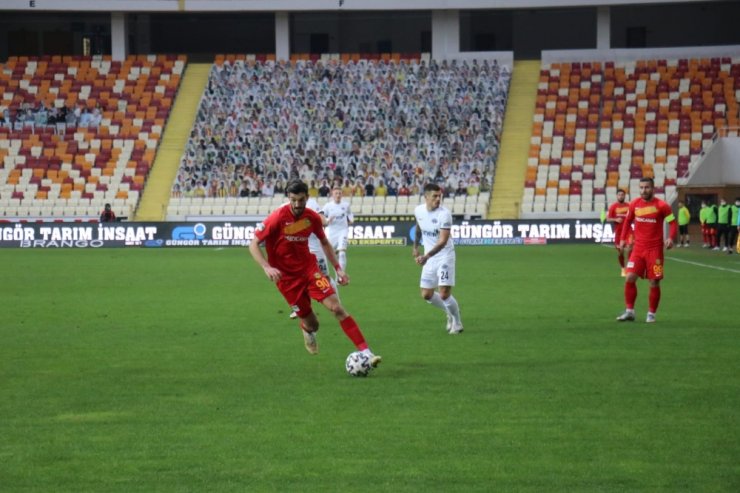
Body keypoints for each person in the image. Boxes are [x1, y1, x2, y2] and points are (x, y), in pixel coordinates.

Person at [249, 179, 381, 367]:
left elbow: (324, 242)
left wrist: (338, 269)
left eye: (301, 200)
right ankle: (307, 329)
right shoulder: (277, 217)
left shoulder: (311, 218)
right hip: (287, 280)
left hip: (309, 271)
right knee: (313, 324)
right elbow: (253, 244)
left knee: (336, 307)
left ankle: (367, 352)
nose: (296, 205)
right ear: (288, 198)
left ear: (307, 198)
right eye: (293, 200)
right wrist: (266, 267)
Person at [616, 177, 677, 324]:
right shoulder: (634, 204)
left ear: (653, 188)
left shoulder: (662, 206)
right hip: (638, 249)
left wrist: (671, 237)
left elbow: (673, 222)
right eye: (641, 187)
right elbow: (627, 221)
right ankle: (629, 311)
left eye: (647, 187)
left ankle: (651, 314)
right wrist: (623, 239)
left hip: (655, 251)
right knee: (630, 278)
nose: (644, 190)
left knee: (654, 281)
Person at [413, 183, 463, 334]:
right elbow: (418, 227)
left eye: (440, 196)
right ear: (426, 197)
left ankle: (458, 322)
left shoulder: (444, 214)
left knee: (444, 294)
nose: (438, 199)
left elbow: (442, 241)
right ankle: (448, 311)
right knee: (426, 295)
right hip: (429, 257)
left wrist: (426, 256)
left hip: (444, 256)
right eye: (434, 196)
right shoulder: (418, 210)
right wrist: (415, 247)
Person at [321, 186, 353, 280]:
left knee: (342, 253)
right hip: (331, 232)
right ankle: (324, 276)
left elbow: (350, 214)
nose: (338, 195)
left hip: (343, 231)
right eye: (336, 193)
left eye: (339, 193)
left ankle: (340, 278)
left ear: (342, 194)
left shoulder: (346, 205)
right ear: (332, 195)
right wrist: (327, 220)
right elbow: (321, 216)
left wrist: (351, 220)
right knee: (326, 254)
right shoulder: (328, 206)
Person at [606, 189, 632, 276]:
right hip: (619, 232)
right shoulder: (613, 206)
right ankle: (623, 268)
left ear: (625, 196)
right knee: (621, 251)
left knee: (630, 247)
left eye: (622, 195)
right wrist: (615, 219)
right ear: (617, 196)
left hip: (628, 230)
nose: (621, 196)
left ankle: (630, 267)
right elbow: (608, 218)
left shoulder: (629, 205)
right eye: (619, 195)